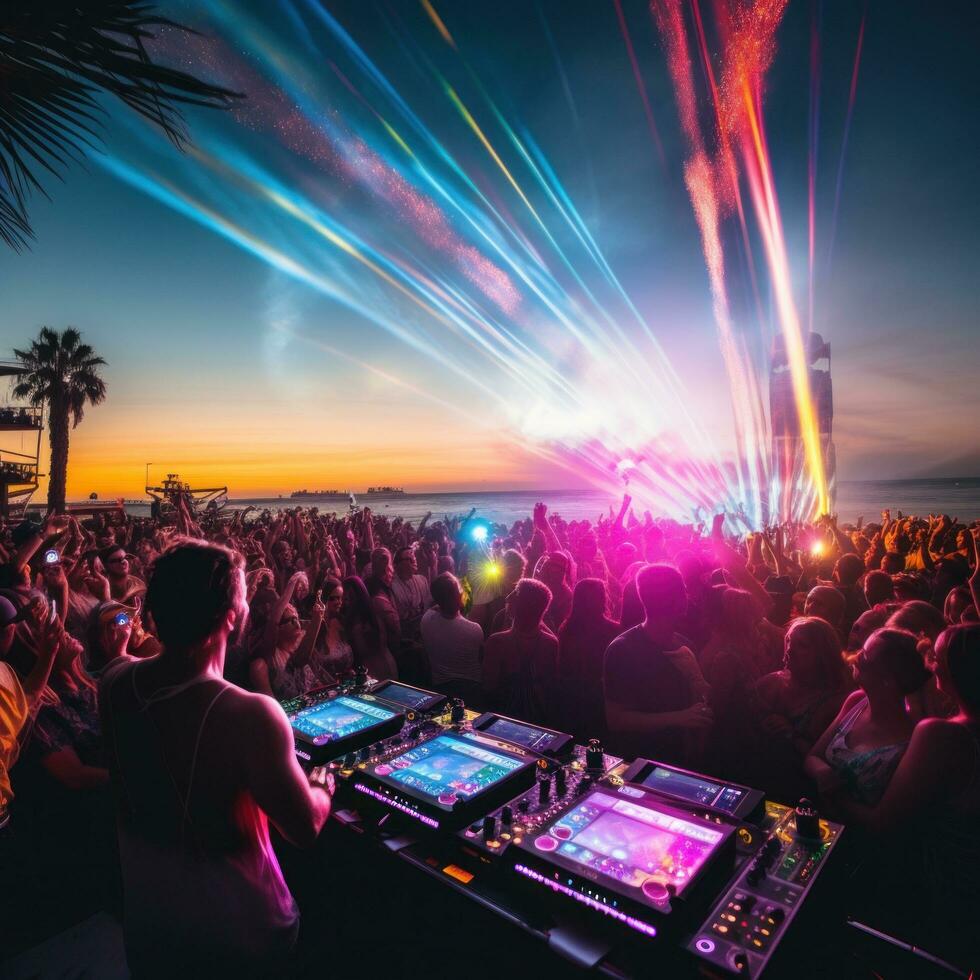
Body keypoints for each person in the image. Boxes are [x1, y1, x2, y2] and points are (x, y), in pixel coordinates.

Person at [99, 541, 333, 977]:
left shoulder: (112, 683)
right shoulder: (252, 715)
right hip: (242, 938)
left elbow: (129, 667)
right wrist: (321, 785)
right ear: (232, 617)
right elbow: (303, 828)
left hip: (151, 930)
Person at [830, 625, 980, 966]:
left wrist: (830, 794)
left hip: (949, 888)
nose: (929, 663)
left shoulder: (942, 736)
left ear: (956, 669)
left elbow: (882, 821)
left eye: (937, 657)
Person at [805, 629, 930, 805]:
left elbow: (883, 822)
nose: (856, 657)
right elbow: (813, 757)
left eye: (866, 656)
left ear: (889, 679)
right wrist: (822, 771)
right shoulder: (856, 701)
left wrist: (838, 799)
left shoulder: (912, 739)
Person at [603, 564, 712, 766]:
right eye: (684, 591)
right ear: (679, 600)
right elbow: (616, 720)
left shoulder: (685, 645)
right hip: (640, 764)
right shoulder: (623, 650)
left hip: (682, 760)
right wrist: (679, 718)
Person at [483, 578, 558, 725]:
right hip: (539, 721)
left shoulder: (497, 642)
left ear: (521, 605)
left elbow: (488, 688)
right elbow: (551, 690)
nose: (508, 597)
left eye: (515, 593)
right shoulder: (552, 644)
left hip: (502, 720)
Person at [556, 578, 619, 739]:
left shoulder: (566, 629)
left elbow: (561, 667)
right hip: (601, 700)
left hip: (570, 699)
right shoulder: (614, 631)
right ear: (603, 599)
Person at [420, 573, 483, 701]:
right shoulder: (474, 629)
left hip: (440, 688)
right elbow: (481, 660)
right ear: (457, 597)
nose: (462, 591)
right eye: (459, 589)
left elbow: (437, 606)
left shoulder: (426, 619)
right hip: (470, 691)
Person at [341, 576, 397, 681]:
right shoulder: (372, 613)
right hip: (387, 663)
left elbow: (362, 650)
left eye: (346, 598)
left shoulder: (358, 622)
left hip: (373, 671)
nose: (344, 602)